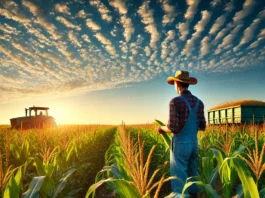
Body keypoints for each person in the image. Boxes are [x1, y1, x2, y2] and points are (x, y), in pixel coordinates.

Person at [158, 70, 206, 198]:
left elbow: (172, 127)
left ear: (177, 84)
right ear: (188, 84)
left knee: (179, 178)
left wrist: (162, 128)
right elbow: (203, 126)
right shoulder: (199, 103)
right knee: (193, 174)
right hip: (194, 144)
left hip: (180, 145)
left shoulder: (175, 102)